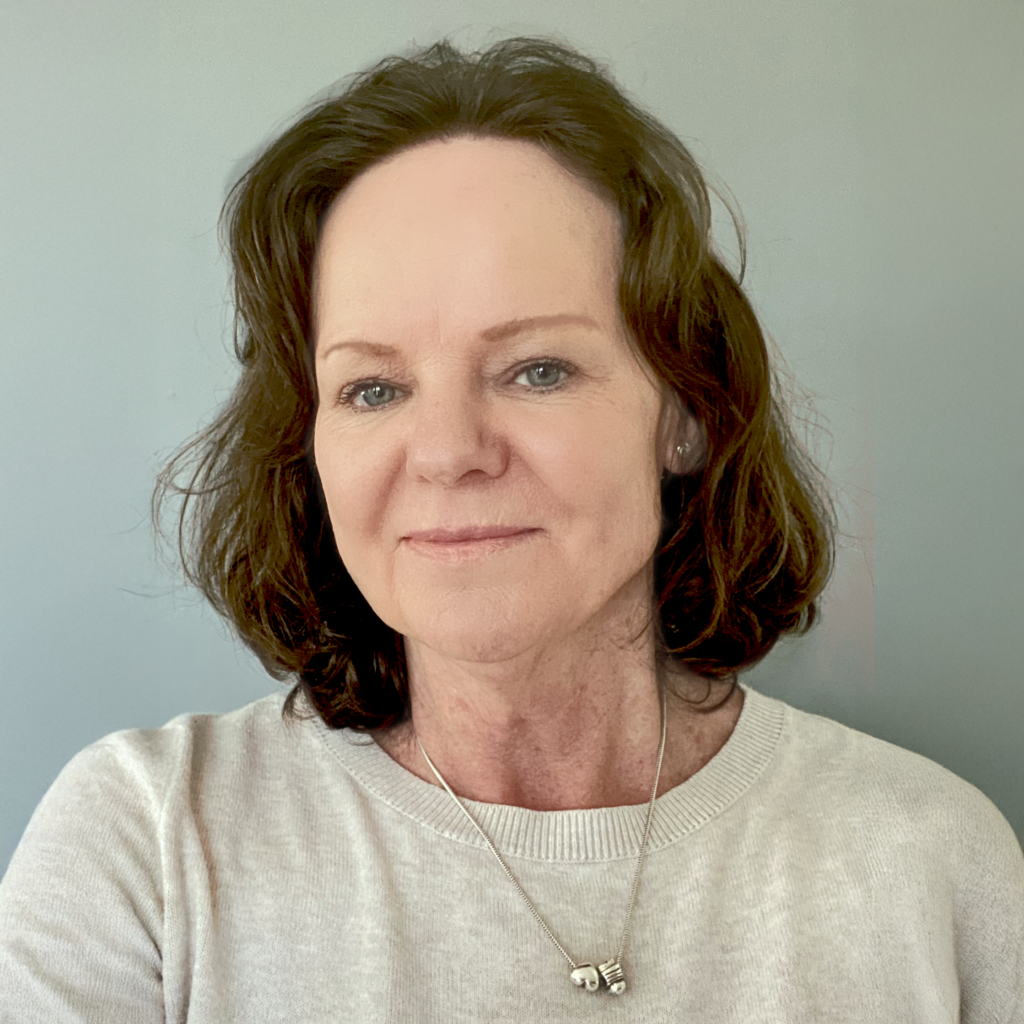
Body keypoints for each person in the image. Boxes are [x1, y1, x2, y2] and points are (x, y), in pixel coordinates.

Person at [1, 34, 1021, 1023]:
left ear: (687, 413)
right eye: (372, 387)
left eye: (538, 369)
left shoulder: (932, 864)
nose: (448, 451)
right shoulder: (149, 847)